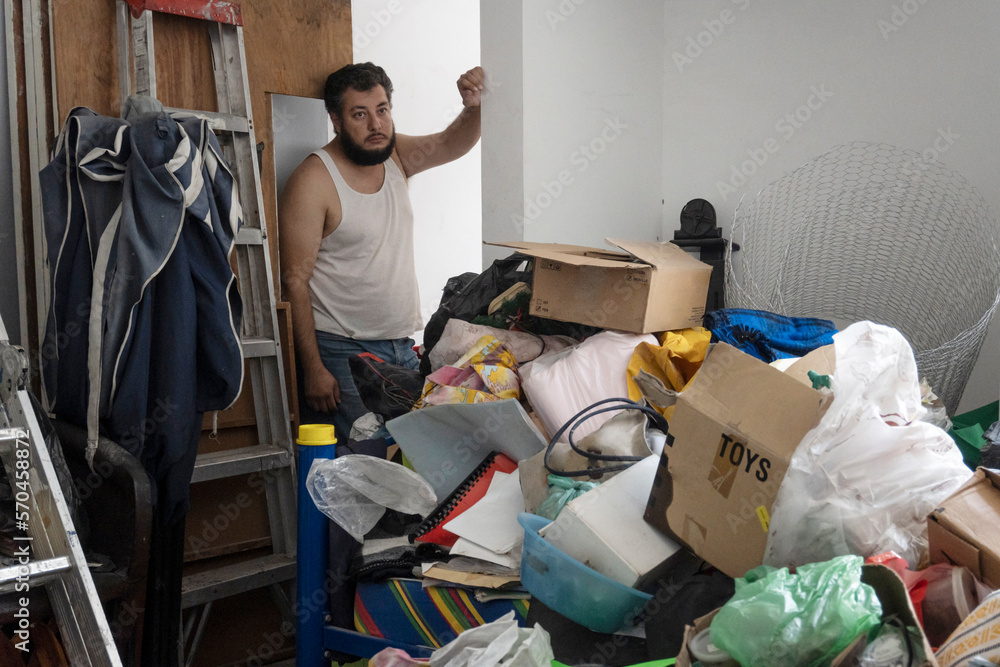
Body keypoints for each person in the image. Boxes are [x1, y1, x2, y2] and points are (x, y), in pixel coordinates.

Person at [279, 62, 484, 439]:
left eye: (382, 110)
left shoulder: (394, 155)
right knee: (360, 458)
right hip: (341, 351)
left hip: (402, 345)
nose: (376, 125)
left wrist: (473, 107)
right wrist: (313, 368)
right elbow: (294, 281)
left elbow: (449, 143)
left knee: (403, 452)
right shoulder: (313, 180)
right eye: (360, 114)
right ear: (336, 120)